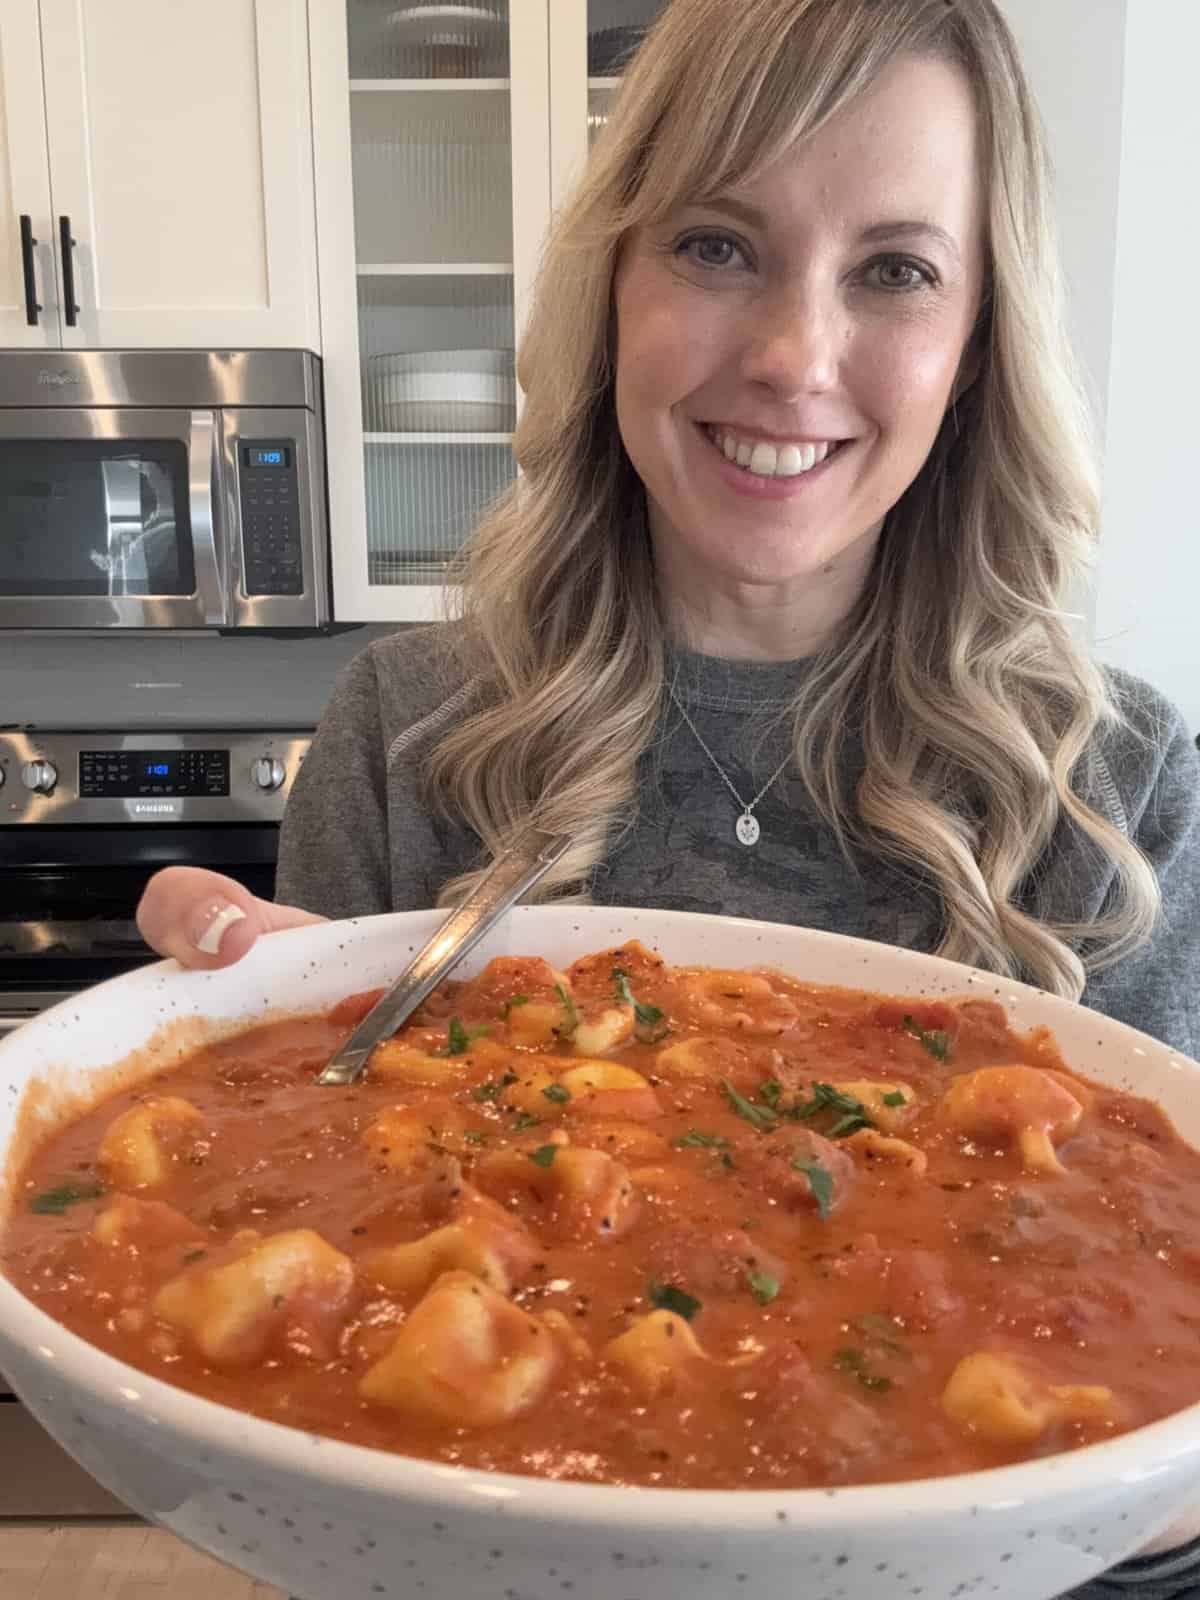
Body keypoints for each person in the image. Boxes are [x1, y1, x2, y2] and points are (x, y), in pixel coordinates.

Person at [136, 1, 1200, 1591]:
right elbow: (311, 1477)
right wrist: (239, 1069)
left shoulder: (1123, 785)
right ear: (612, 290)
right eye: (716, 245)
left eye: (895, 269)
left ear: (977, 341)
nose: (791, 358)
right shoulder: (408, 729)